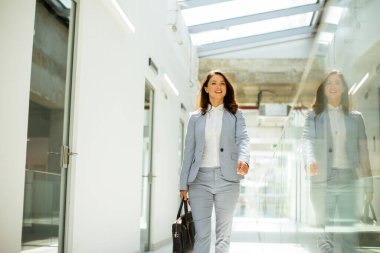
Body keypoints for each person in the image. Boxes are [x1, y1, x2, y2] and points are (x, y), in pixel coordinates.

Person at [302, 70, 373, 252]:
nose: (333, 86)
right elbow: (307, 140)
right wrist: (310, 160)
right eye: (329, 83)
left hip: (349, 179)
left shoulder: (356, 118)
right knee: (325, 233)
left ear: (343, 88)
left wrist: (369, 184)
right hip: (322, 179)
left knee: (349, 233)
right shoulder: (313, 116)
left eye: (337, 83)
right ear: (324, 89)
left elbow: (363, 152)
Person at [179, 70, 250, 253]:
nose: (218, 86)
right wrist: (183, 184)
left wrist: (244, 160)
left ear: (226, 89)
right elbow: (189, 152)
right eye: (214, 83)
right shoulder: (195, 118)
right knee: (202, 234)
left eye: (222, 83)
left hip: (228, 180)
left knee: (223, 235)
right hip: (199, 180)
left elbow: (243, 139)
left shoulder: (236, 115)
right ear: (206, 88)